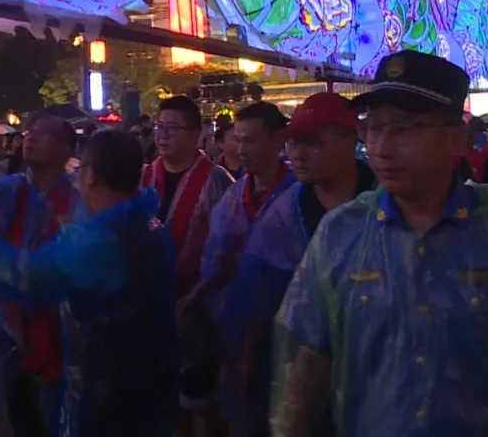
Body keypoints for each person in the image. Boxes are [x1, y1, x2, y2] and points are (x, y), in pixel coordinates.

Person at [271, 51, 488, 436]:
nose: (382, 147)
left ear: (456, 139)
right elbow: (305, 363)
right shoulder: (340, 234)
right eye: (373, 127)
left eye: (403, 129)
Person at [0, 129, 178, 436]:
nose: (31, 139)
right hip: (147, 373)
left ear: (90, 175)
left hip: (111, 384)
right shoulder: (147, 221)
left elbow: (30, 277)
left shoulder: (101, 239)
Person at [235, 92, 376, 434]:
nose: (296, 153)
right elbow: (258, 298)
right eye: (293, 142)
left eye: (311, 142)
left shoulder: (389, 203)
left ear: (351, 139)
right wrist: (245, 356)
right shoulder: (281, 216)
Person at [0, 110, 84, 436]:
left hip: (61, 331)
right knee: (22, 414)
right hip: (14, 324)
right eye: (29, 131)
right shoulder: (11, 189)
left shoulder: (79, 198)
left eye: (43, 132)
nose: (30, 137)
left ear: (65, 149)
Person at [188, 101, 295, 436]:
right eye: (238, 139)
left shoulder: (299, 198)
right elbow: (215, 262)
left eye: (250, 140)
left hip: (285, 341)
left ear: (278, 140)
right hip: (232, 336)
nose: (241, 149)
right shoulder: (234, 196)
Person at [138, 96, 233, 433]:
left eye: (172, 128)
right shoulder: (145, 176)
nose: (162, 135)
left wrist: (200, 294)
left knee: (202, 400)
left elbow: (230, 248)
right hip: (152, 308)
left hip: (197, 309)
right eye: (159, 127)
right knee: (167, 400)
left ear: (196, 134)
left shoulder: (217, 181)